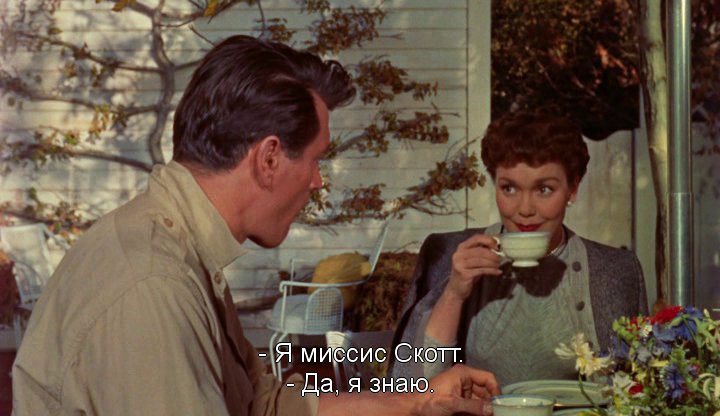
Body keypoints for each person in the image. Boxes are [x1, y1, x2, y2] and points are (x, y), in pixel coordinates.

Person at [11, 35, 500, 416]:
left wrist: (419, 398)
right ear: (268, 159)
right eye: (314, 160)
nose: (317, 181)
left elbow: (261, 403)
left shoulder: (182, 249)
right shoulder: (154, 284)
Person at [390, 111, 648, 386]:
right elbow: (413, 385)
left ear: (572, 189)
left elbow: (638, 388)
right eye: (509, 188)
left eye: (544, 189)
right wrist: (454, 293)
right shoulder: (448, 254)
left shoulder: (615, 270)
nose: (525, 209)